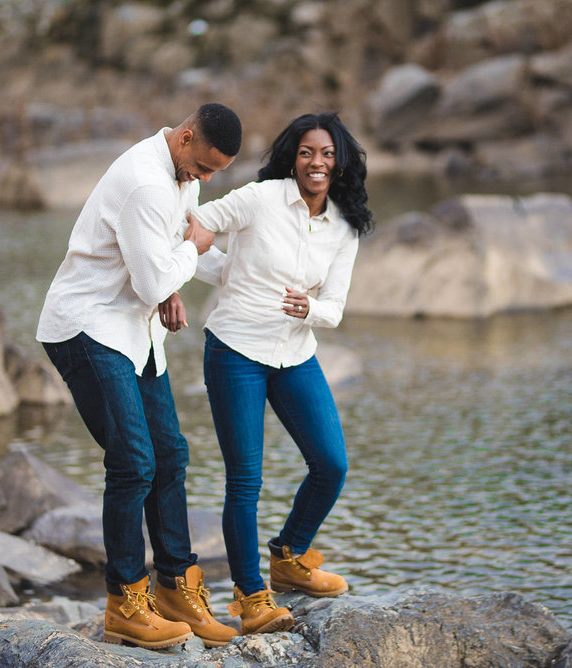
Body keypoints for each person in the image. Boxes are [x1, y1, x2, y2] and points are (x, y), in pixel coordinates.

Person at [36, 103, 243, 650]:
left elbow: (165, 256)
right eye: (203, 168)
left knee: (169, 454)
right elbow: (163, 266)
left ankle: (176, 588)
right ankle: (125, 602)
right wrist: (181, 264)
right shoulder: (145, 181)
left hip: (133, 331)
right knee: (133, 461)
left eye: (214, 173)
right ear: (186, 137)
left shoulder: (180, 174)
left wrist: (200, 279)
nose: (204, 180)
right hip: (86, 327)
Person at [161, 112, 374, 635]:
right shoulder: (261, 198)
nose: (316, 163)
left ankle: (290, 556)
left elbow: (336, 307)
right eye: (306, 153)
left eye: (326, 154)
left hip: (296, 353)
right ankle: (251, 596)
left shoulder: (345, 226)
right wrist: (190, 279)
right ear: (292, 158)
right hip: (235, 350)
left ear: (340, 162)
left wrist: (311, 311)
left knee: (331, 464)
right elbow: (196, 226)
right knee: (245, 481)